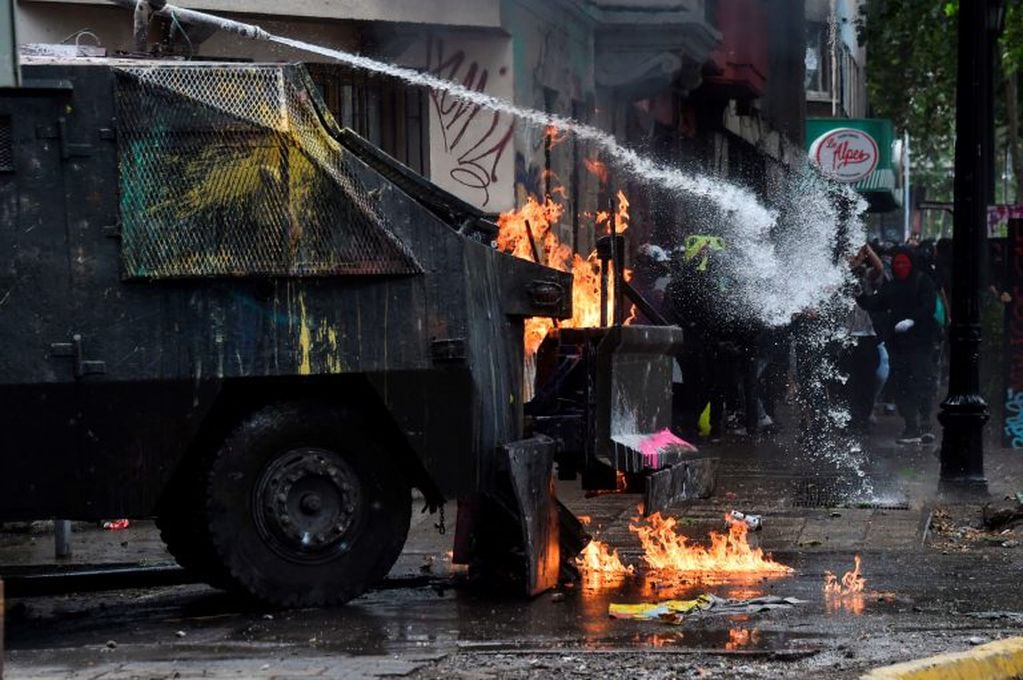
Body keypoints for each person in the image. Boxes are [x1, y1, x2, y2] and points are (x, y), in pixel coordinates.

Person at [856, 246, 938, 444]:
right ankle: (911, 425)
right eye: (897, 263)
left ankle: (924, 423)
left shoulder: (923, 281)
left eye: (904, 263)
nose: (900, 267)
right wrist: (860, 295)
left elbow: (929, 306)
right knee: (902, 384)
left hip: (921, 343)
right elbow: (875, 303)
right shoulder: (892, 287)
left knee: (921, 380)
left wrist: (912, 320)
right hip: (899, 344)